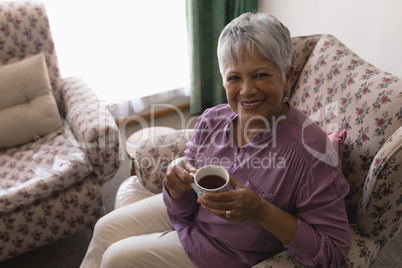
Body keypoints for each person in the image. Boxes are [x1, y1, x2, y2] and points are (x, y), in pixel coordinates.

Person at [80, 12, 351, 268]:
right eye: (234, 77)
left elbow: (334, 254)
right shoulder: (212, 120)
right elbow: (183, 208)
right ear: (223, 81)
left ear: (287, 76)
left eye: (261, 74)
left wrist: (260, 211)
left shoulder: (312, 151)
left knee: (116, 258)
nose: (246, 90)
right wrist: (175, 186)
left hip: (222, 252)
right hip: (194, 220)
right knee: (104, 228)